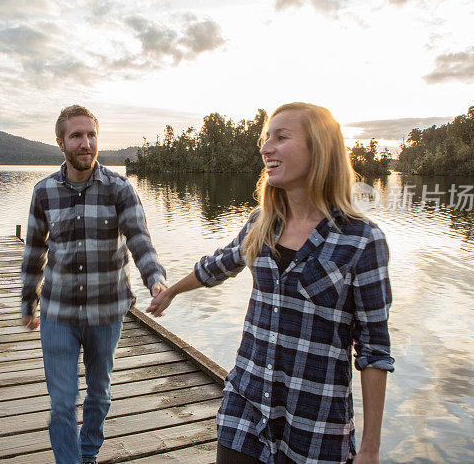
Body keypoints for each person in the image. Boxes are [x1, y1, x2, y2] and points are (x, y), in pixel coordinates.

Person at [147, 102, 394, 464]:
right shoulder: (261, 222)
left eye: (281, 138)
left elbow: (374, 350)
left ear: (319, 149)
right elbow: (218, 266)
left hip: (315, 425)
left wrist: (370, 448)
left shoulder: (362, 240)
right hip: (245, 409)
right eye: (266, 139)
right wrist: (171, 291)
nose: (265, 148)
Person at [21, 104, 167, 464]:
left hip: (107, 311)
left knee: (99, 395)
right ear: (61, 142)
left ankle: (86, 454)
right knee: (61, 403)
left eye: (91, 134)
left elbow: (140, 241)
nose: (86, 143)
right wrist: (29, 303)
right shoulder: (44, 193)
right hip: (58, 312)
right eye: (76, 135)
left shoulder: (120, 189)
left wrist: (156, 280)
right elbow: (34, 252)